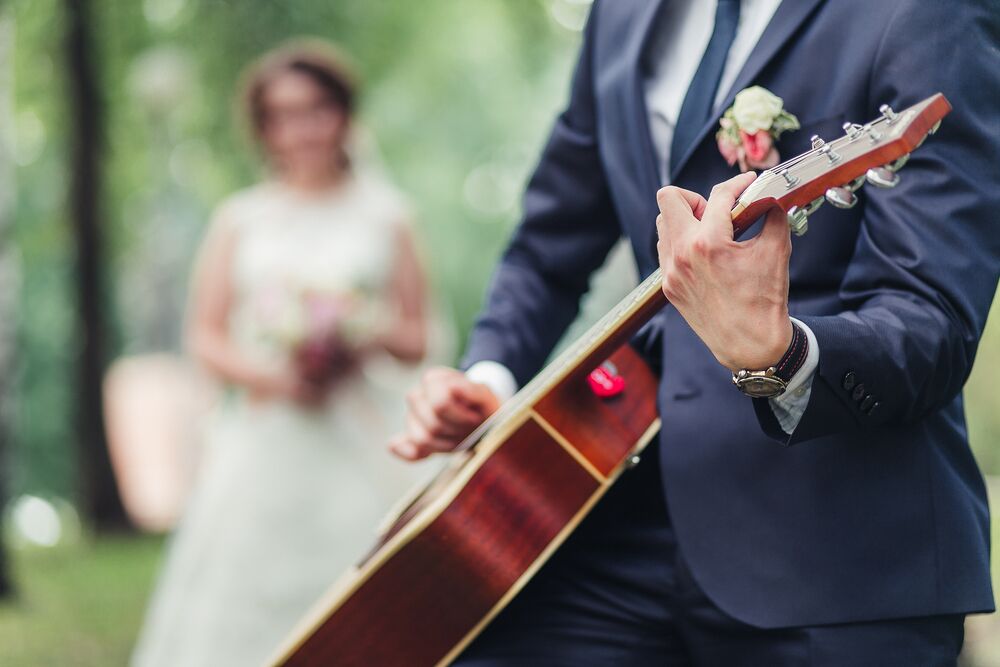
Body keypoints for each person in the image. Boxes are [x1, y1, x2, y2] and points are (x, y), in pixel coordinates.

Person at [392, 0, 999, 664]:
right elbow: (548, 244)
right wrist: (490, 378)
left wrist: (781, 356)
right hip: (614, 516)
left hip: (838, 551)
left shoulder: (925, 11)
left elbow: (929, 317)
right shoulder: (619, 15)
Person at [132, 41, 432, 667]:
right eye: (282, 114)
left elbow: (416, 336)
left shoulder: (388, 215)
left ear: (342, 114)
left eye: (315, 109)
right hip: (267, 438)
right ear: (264, 128)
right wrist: (275, 375)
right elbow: (205, 335)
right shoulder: (240, 220)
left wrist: (359, 333)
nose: (301, 129)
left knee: (372, 588)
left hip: (360, 438)